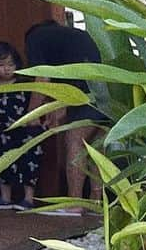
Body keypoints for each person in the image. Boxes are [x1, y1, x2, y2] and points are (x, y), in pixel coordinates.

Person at [24, 19, 108, 212]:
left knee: (75, 143)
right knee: (97, 149)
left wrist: (31, 114)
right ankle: (96, 202)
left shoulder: (35, 38)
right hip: (107, 92)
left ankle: (75, 204)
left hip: (86, 95)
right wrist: (55, 112)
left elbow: (42, 78)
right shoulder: (70, 38)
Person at [0, 41, 43, 210]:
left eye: (11, 64)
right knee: (4, 164)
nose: (7, 69)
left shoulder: (24, 83)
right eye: (1, 65)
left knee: (29, 163)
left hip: (27, 131)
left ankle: (28, 199)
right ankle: (5, 197)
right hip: (3, 133)